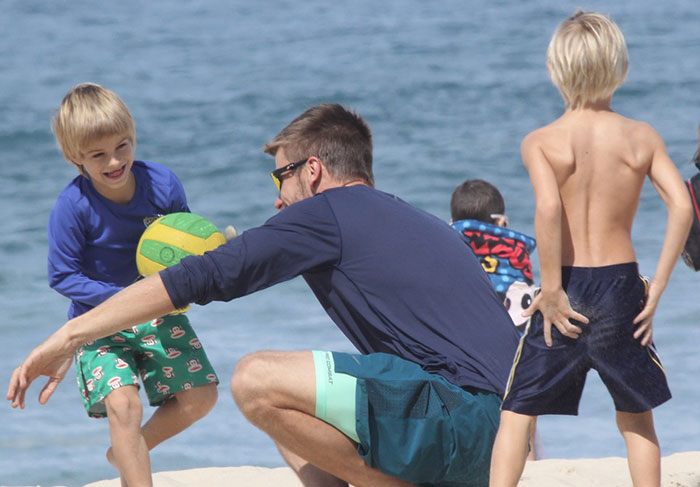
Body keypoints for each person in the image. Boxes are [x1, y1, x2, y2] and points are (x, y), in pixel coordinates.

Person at [9, 103, 521, 487]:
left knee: (256, 379)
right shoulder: (411, 218)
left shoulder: (327, 212)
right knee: (291, 418)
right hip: (503, 438)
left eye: (281, 176)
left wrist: (69, 335)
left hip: (464, 425)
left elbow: (196, 278)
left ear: (313, 171)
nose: (276, 197)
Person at [489, 12, 693, 487]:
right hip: (622, 286)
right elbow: (682, 206)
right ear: (619, 67)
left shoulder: (541, 141)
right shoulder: (641, 136)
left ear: (553, 68)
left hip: (568, 286)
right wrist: (658, 287)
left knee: (517, 410)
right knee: (636, 416)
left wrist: (553, 289)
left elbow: (547, 208)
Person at [41, 83, 219, 486]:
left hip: (157, 313)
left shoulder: (162, 184)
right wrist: (124, 299)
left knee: (201, 397)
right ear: (75, 158)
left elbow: (184, 238)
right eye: (98, 155)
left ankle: (124, 450)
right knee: (124, 406)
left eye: (122, 146)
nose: (115, 161)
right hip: (100, 322)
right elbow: (62, 275)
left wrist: (204, 271)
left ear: (133, 136)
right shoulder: (72, 207)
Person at [450, 179, 541, 461]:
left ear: (453, 220)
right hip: (512, 340)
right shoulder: (515, 251)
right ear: (502, 222)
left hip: (461, 340)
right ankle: (531, 461)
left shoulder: (449, 243)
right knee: (522, 411)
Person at [450, 179, 537, 332]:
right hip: (514, 346)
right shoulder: (517, 253)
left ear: (452, 223)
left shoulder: (446, 249)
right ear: (501, 222)